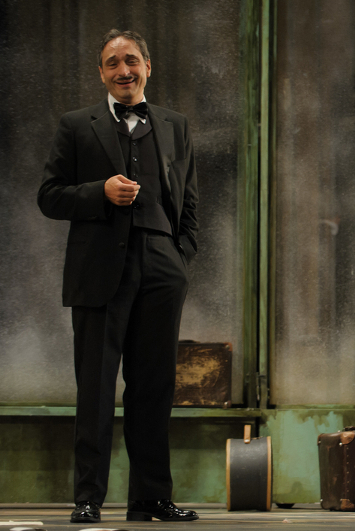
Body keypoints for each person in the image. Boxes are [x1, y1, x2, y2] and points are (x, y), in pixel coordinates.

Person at [38, 29, 199, 524]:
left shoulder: (175, 125)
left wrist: (180, 259)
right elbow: (49, 196)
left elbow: (189, 201)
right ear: (101, 73)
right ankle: (88, 497)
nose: (123, 70)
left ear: (148, 66)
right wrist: (99, 192)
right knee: (96, 387)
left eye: (131, 60)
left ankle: (150, 497)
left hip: (161, 267)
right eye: (112, 63)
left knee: (154, 386)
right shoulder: (76, 125)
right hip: (98, 270)